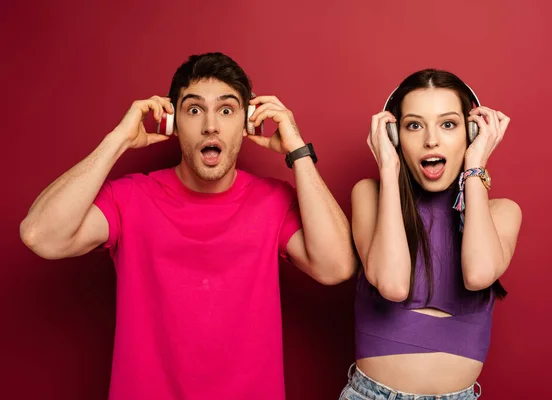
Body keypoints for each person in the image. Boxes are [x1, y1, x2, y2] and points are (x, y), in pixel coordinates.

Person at [20, 52, 356, 399]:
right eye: (194, 110)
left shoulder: (271, 201)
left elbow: (336, 267)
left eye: (226, 110)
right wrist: (117, 139)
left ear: (247, 122)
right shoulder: (131, 197)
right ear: (173, 122)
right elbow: (40, 235)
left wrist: (298, 150)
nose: (210, 125)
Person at [340, 69, 522, 400]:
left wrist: (474, 166)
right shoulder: (369, 195)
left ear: (471, 132)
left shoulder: (503, 213)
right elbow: (393, 284)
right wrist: (387, 167)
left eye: (448, 124)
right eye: (413, 125)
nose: (431, 140)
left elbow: (479, 273)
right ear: (394, 136)